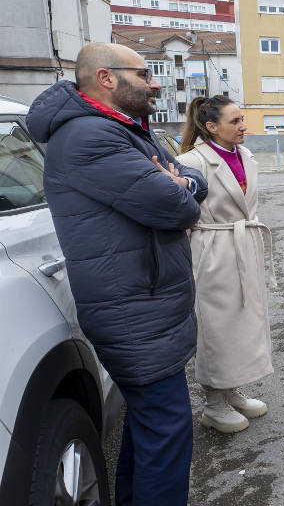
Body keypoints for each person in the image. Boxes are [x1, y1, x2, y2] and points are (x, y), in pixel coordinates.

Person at [25, 43, 207, 505]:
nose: (155, 82)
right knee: (166, 431)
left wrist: (178, 180)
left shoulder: (122, 129)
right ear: (106, 78)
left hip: (144, 306)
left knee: (151, 427)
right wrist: (178, 187)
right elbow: (177, 207)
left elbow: (187, 179)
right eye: (145, 74)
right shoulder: (90, 137)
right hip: (134, 310)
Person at [176, 95, 276, 432]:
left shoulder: (244, 154)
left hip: (242, 245)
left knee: (241, 324)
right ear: (211, 127)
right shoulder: (192, 160)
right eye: (234, 121)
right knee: (216, 328)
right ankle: (213, 403)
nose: (242, 126)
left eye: (242, 119)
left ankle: (230, 391)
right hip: (212, 250)